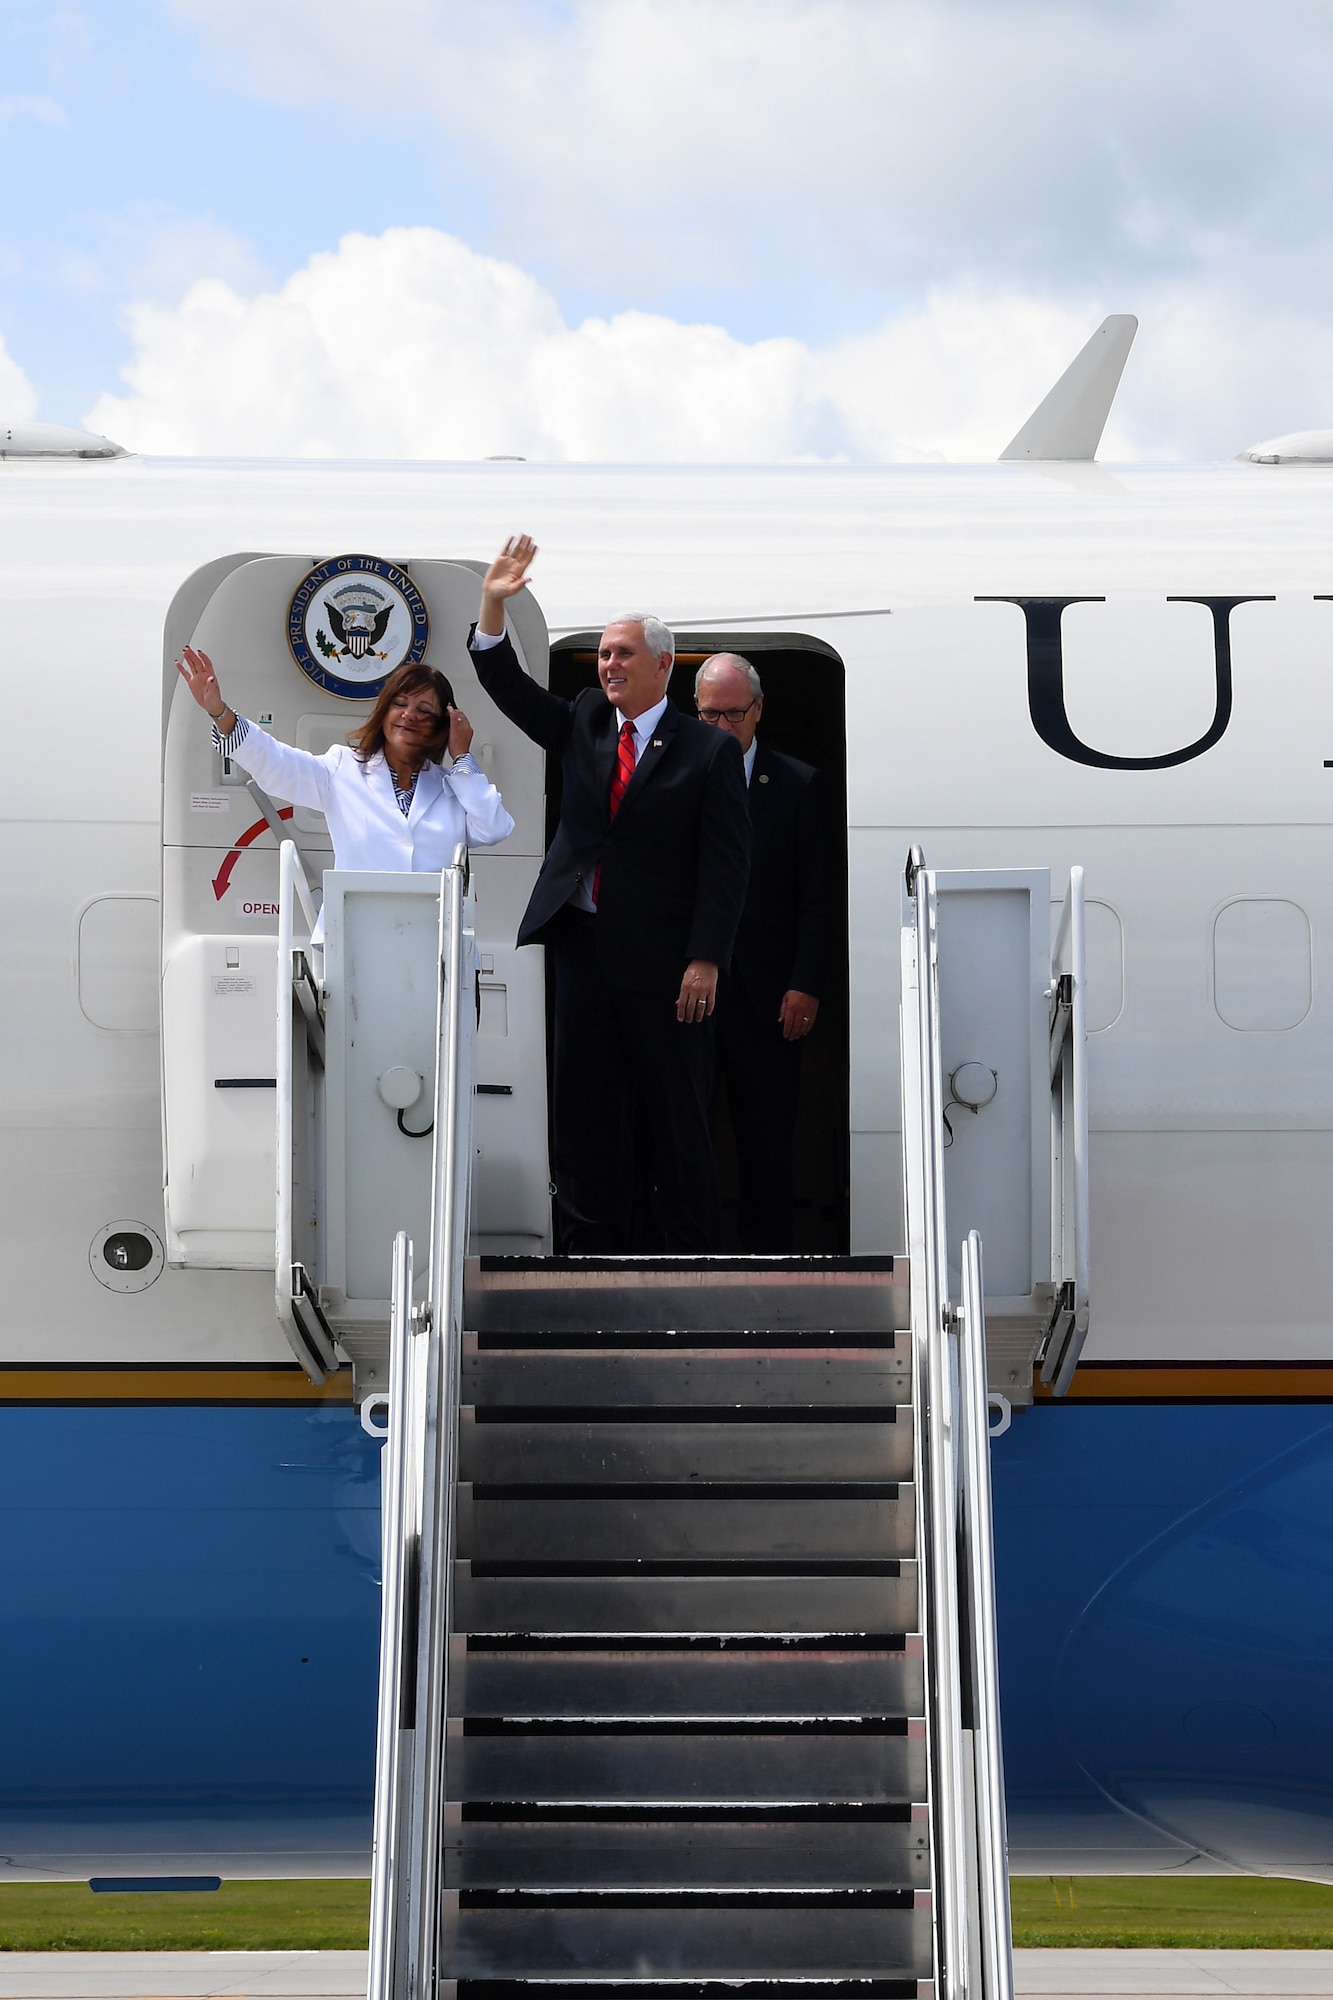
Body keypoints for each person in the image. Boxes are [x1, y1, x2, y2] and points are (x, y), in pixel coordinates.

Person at [468, 536, 750, 1255]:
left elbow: (726, 866)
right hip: (584, 949)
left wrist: (705, 959)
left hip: (666, 964)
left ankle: (688, 1249)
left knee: (674, 1107)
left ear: (663, 664)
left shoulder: (708, 750)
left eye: (623, 653)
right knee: (586, 1107)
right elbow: (509, 688)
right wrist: (493, 604)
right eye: (602, 654)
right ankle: (589, 1246)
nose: (609, 664)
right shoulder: (587, 720)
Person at [173, 649, 515, 929]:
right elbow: (276, 764)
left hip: (434, 948)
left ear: (441, 724)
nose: (409, 715)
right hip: (354, 942)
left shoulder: (453, 788)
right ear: (384, 711)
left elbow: (494, 827)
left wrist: (463, 758)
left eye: (424, 710)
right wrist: (220, 713)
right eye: (400, 704)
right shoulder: (343, 768)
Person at [695, 652, 831, 1253]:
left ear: (759, 711)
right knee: (683, 1137)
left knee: (767, 1140)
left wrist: (807, 981)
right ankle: (684, 1263)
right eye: (708, 716)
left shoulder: (799, 784)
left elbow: (820, 895)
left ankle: (769, 1267)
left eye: (733, 715)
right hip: (687, 994)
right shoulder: (670, 775)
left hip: (769, 994)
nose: (721, 729)